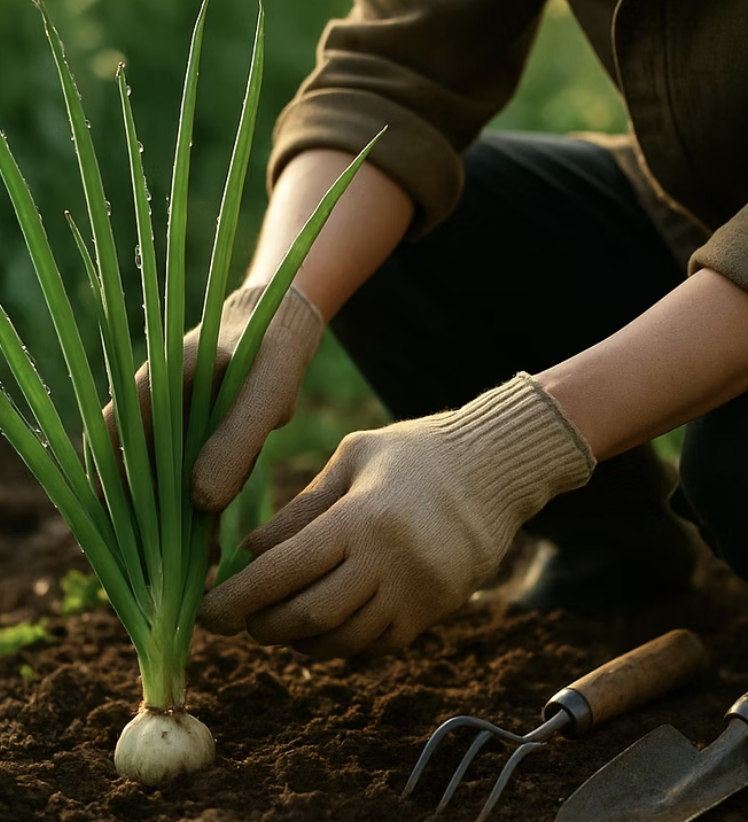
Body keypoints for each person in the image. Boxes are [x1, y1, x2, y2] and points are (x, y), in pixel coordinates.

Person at [147, 1, 748, 659]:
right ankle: (612, 552)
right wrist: (273, 309)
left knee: (735, 475)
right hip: (697, 212)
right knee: (391, 231)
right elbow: (392, 68)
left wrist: (508, 449)